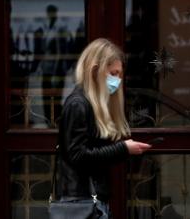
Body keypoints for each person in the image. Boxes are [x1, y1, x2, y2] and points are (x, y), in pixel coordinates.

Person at [55, 38, 151, 218]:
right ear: (94, 71)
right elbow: (77, 155)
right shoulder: (78, 104)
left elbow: (93, 153)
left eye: (120, 75)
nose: (117, 81)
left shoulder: (94, 104)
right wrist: (123, 148)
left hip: (92, 202)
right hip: (81, 203)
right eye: (113, 73)